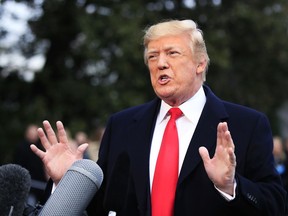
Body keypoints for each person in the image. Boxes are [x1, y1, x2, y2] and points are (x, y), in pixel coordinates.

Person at [30, 19, 286, 215]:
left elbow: (276, 203)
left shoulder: (247, 124)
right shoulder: (122, 125)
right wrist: (70, 182)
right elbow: (103, 206)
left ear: (200, 63)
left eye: (172, 53)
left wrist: (230, 187)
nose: (160, 63)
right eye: (152, 56)